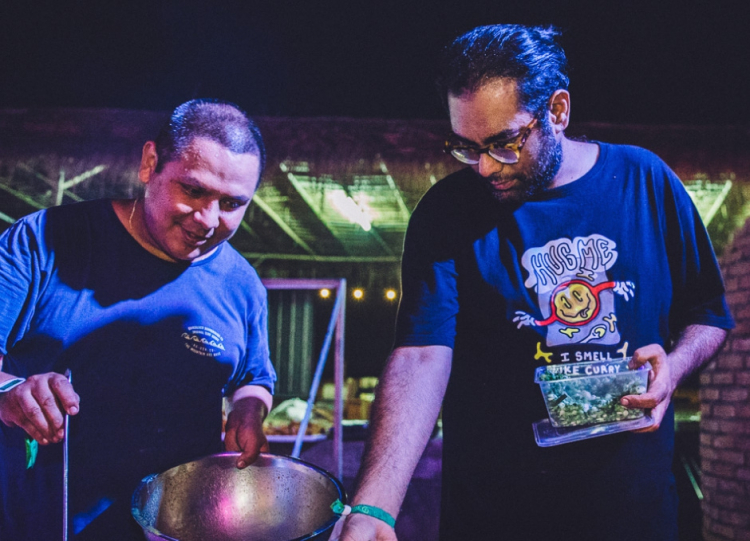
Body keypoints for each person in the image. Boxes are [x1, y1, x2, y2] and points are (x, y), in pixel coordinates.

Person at [337, 25, 734, 541]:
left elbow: (709, 313)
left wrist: (674, 369)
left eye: (505, 143)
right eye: (465, 146)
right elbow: (420, 356)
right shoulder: (446, 213)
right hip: (493, 517)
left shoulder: (645, 181)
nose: (484, 167)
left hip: (630, 512)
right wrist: (374, 509)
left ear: (558, 111)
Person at [0, 99, 276, 540]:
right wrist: (12, 390)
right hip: (42, 523)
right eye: (193, 190)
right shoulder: (42, 242)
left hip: (179, 528)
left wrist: (248, 409)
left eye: (231, 203)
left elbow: (254, 377)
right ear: (150, 164)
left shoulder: (241, 284)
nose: (208, 220)